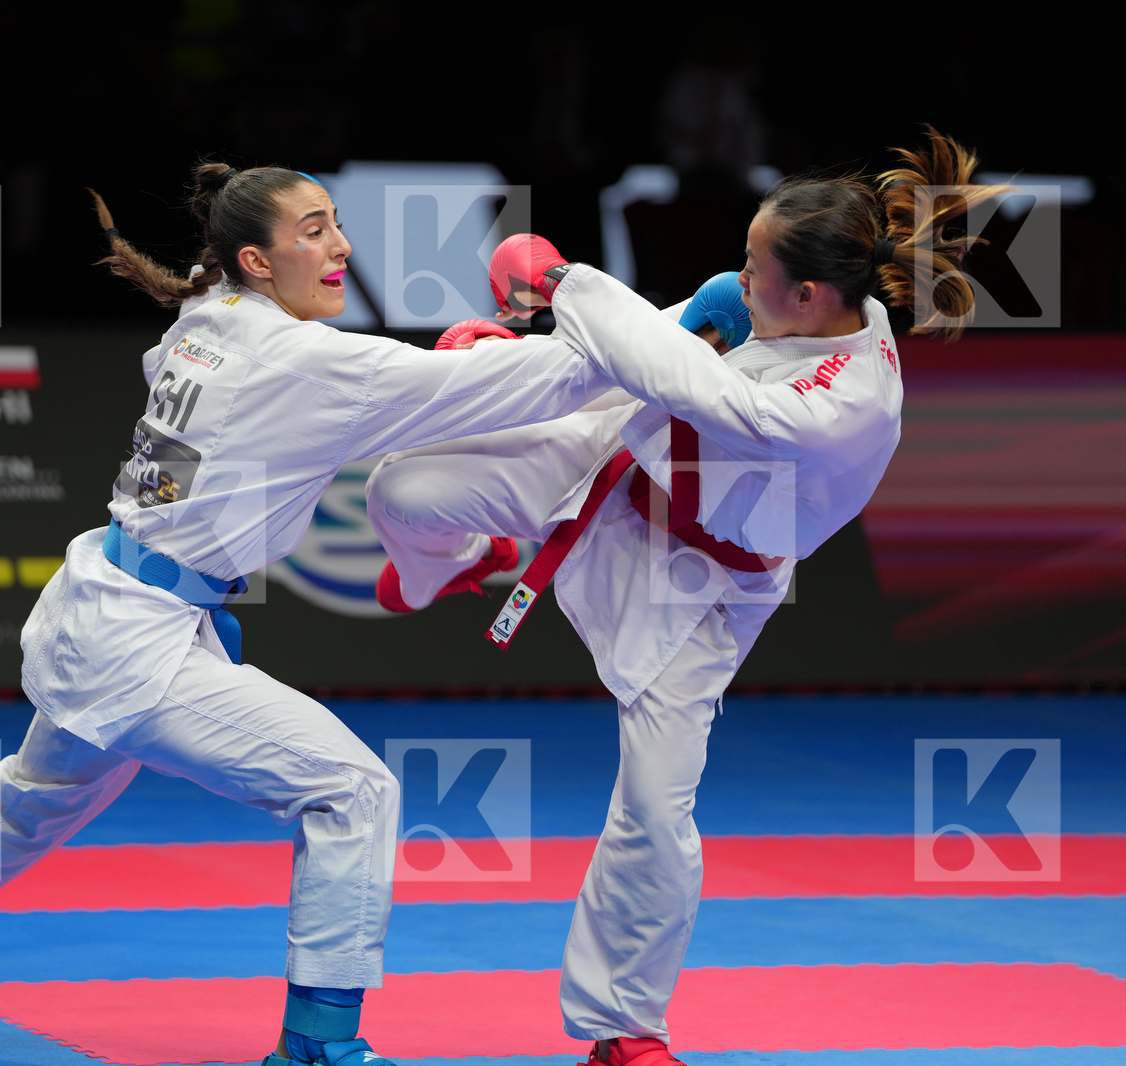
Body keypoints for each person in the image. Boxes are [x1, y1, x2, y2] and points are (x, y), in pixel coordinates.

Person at [0, 162, 624, 1066]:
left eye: (335, 223)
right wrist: (651, 315)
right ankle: (318, 1044)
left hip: (104, 599)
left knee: (31, 798)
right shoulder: (303, 359)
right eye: (314, 231)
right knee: (351, 790)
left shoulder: (208, 315)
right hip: (137, 642)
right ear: (256, 261)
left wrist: (472, 359)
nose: (342, 247)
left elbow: (245, 379)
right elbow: (549, 384)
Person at [366, 129, 1007, 1066]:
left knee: (656, 806)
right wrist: (509, 361)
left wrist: (560, 281)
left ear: (809, 295)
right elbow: (629, 355)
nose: (739, 278)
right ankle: (464, 560)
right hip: (622, 465)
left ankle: (625, 1028)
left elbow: (667, 369)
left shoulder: (841, 403)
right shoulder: (778, 305)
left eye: (754, 267)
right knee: (403, 490)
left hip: (703, 588)